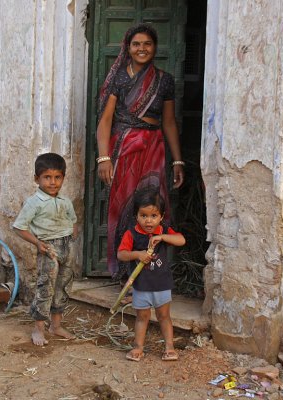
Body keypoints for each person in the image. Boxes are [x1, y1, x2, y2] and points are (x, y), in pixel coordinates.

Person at [96, 23, 185, 281]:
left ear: (155, 47)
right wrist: (104, 157)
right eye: (136, 44)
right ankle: (126, 274)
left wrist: (177, 159)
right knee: (124, 207)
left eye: (147, 44)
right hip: (124, 148)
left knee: (152, 205)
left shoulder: (164, 80)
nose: (142, 49)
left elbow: (168, 122)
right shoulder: (119, 78)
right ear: (128, 47)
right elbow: (105, 120)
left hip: (154, 148)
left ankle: (152, 272)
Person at [12, 153, 77, 346]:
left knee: (63, 286)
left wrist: (71, 237)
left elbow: (73, 220)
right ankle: (38, 328)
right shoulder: (34, 202)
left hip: (67, 247)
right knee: (45, 287)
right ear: (37, 179)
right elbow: (19, 227)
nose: (52, 182)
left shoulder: (65, 201)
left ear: (63, 178)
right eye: (47, 177)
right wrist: (38, 243)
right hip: (49, 247)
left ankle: (55, 326)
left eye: (57, 177)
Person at [117, 189, 185, 362]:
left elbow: (181, 240)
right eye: (143, 215)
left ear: (161, 216)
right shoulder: (131, 234)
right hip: (142, 285)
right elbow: (121, 254)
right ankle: (138, 347)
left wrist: (162, 237)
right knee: (142, 317)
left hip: (162, 284)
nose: (149, 220)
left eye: (154, 216)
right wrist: (137, 255)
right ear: (136, 216)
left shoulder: (163, 231)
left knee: (164, 316)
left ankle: (169, 348)